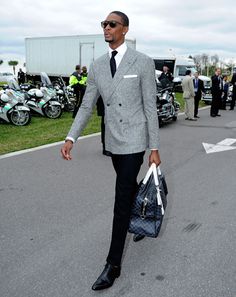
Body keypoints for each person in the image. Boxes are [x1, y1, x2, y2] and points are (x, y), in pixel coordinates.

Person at [61, 11, 161, 291]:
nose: (106, 28)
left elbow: (150, 108)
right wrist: (71, 137)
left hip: (135, 140)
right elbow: (86, 105)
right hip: (113, 141)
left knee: (120, 199)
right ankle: (144, 212)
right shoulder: (97, 66)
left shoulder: (142, 62)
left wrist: (154, 147)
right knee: (129, 188)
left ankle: (113, 265)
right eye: (103, 24)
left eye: (111, 24)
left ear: (125, 29)